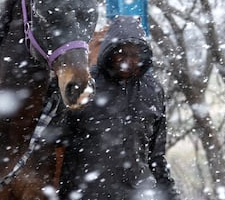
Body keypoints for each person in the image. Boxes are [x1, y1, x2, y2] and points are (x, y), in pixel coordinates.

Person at [53, 15, 181, 200]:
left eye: (134, 54)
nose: (127, 61)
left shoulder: (153, 90)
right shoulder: (86, 86)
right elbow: (57, 144)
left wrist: (170, 194)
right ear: (109, 51)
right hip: (86, 193)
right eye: (121, 52)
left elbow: (156, 155)